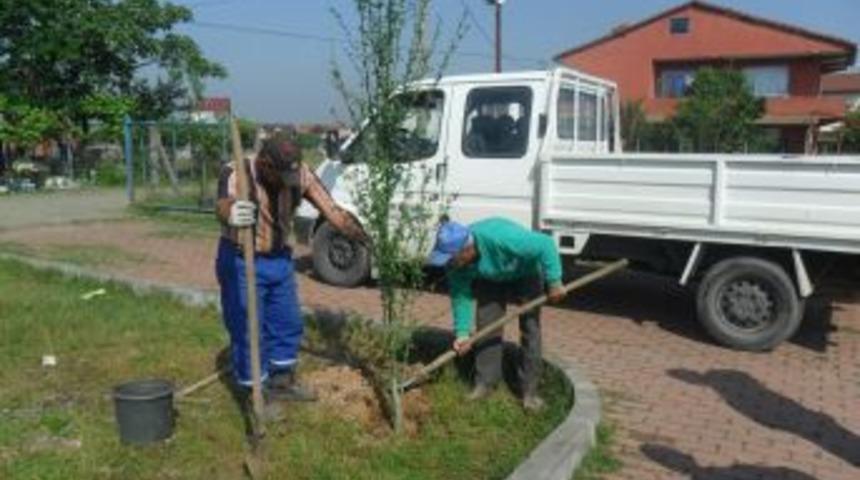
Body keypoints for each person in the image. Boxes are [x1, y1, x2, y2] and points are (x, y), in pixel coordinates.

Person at [216, 137, 364, 402]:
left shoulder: (301, 174)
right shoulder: (237, 172)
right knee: (248, 328)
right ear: (264, 164)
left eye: (291, 175)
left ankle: (281, 382)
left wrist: (363, 236)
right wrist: (231, 212)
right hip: (241, 260)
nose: (288, 181)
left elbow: (333, 211)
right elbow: (222, 204)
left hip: (279, 261)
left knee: (287, 322)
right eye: (281, 175)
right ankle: (255, 394)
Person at [428, 217, 565, 411]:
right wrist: (462, 333)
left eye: (452, 258)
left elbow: (545, 244)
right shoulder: (458, 265)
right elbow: (461, 297)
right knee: (486, 326)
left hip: (524, 270)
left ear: (467, 249)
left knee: (530, 328)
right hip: (490, 277)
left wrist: (554, 281)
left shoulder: (501, 238)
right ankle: (485, 384)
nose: (450, 263)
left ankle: (529, 393)